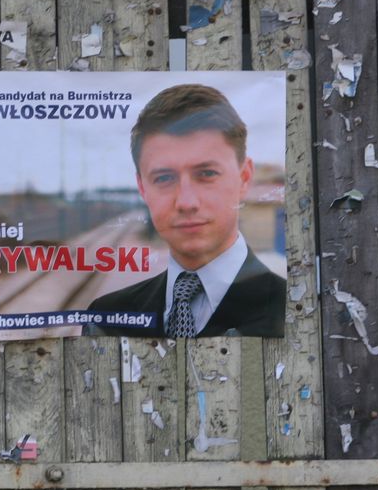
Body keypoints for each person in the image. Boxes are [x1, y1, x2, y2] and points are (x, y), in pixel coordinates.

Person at [86, 83, 285, 337]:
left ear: (244, 177)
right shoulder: (105, 317)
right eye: (164, 178)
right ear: (142, 188)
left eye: (207, 174)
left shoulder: (292, 311)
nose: (186, 202)